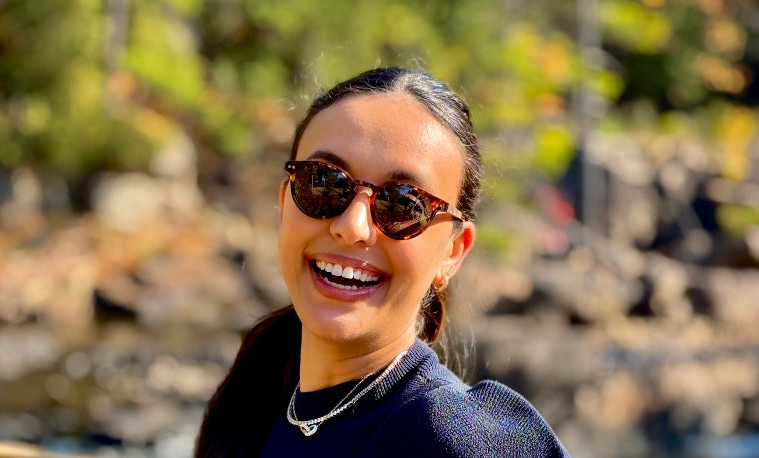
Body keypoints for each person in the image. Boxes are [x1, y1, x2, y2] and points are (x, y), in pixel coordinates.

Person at [196, 67, 570, 457]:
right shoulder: (250, 413)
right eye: (323, 183)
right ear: (285, 203)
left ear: (452, 252)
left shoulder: (460, 440)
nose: (352, 226)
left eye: (403, 204)